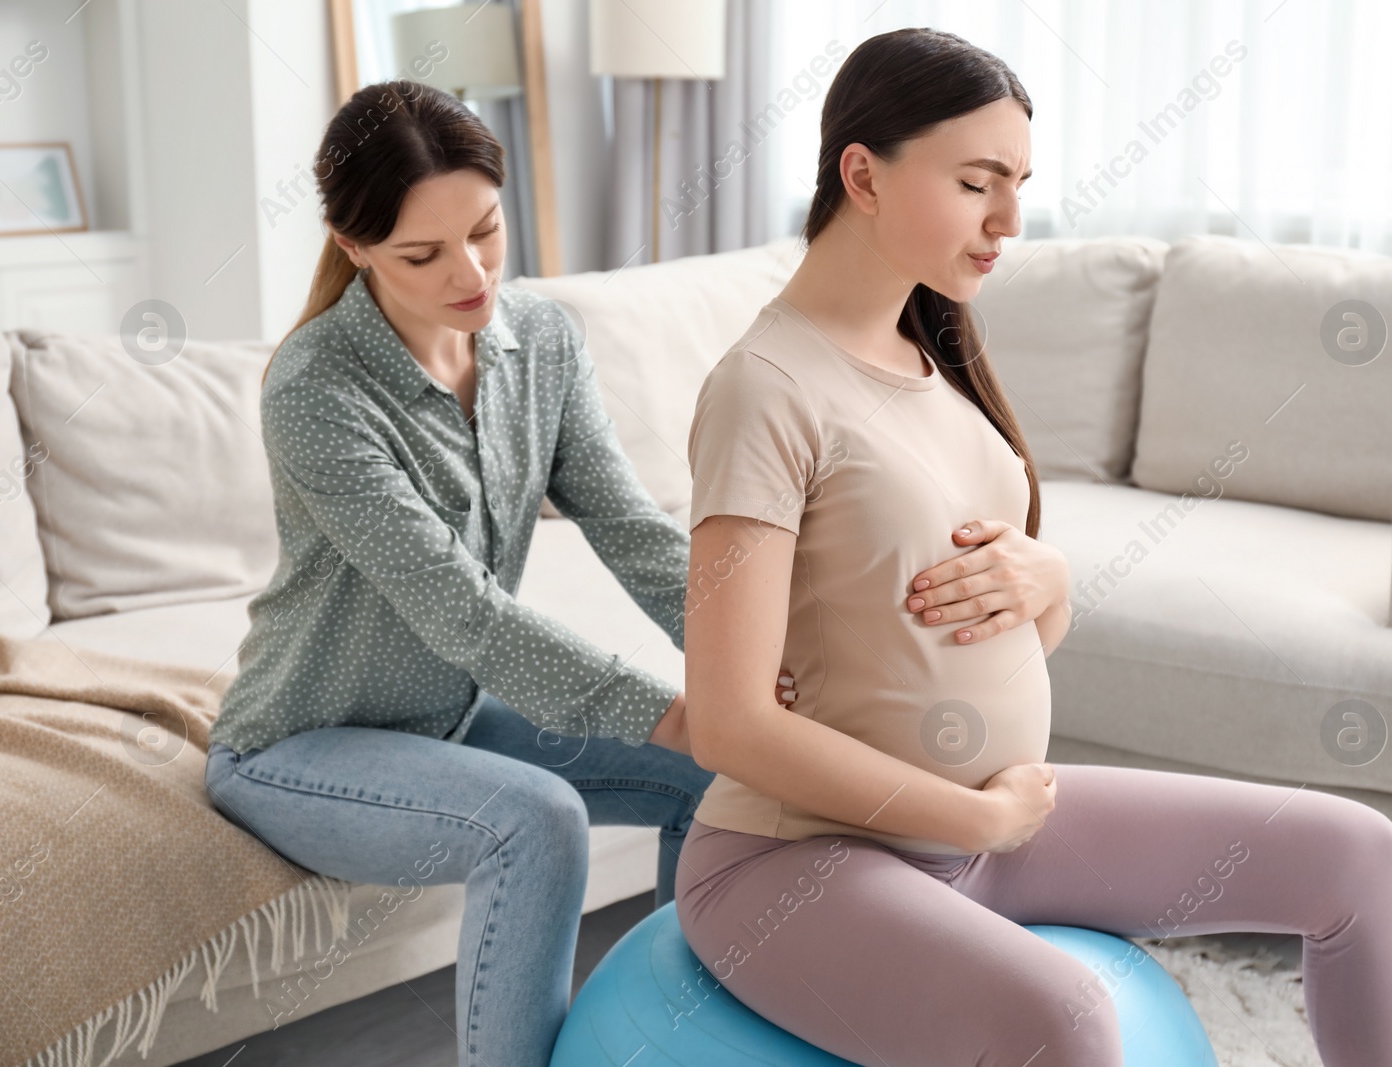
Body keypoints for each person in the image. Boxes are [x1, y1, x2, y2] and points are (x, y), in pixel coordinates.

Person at [203, 78, 1060, 1067]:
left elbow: (631, 528)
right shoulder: (317, 387)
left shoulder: (539, 342)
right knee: (536, 820)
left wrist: (759, 668)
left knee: (721, 772)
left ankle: (683, 1038)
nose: (472, 272)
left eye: (486, 230)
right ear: (354, 248)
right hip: (301, 742)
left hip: (445, 715)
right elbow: (461, 612)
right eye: (422, 254)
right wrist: (674, 709)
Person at [675, 27, 1392, 1067]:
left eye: (1020, 182)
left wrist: (1049, 580)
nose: (1009, 221)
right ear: (861, 172)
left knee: (1357, 852)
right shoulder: (765, 387)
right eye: (976, 182)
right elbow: (728, 722)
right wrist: (975, 818)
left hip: (993, 825)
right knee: (1068, 1016)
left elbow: (994, 623)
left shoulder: (931, 354)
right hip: (796, 858)